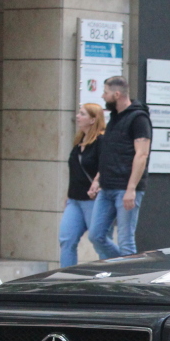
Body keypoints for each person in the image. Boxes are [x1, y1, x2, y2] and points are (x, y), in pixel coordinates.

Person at [88, 76, 151, 258]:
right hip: (107, 186)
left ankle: (129, 274)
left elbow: (141, 155)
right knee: (96, 235)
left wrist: (131, 189)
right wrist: (98, 179)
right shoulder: (115, 118)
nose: (102, 96)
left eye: (105, 93)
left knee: (125, 239)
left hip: (125, 187)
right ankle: (120, 267)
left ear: (117, 94)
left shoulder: (139, 118)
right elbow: (109, 153)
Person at [58, 103, 105, 268]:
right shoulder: (79, 142)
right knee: (66, 239)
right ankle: (66, 279)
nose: (78, 116)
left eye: (82, 114)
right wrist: (67, 195)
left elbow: (106, 165)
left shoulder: (101, 140)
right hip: (74, 199)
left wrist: (97, 181)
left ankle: (115, 266)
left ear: (93, 120)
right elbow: (75, 171)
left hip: (92, 200)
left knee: (99, 240)